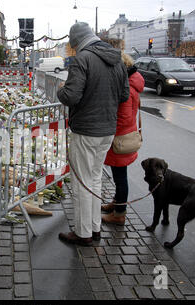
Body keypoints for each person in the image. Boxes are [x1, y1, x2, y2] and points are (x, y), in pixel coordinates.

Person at [57, 22, 129, 247]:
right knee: (95, 179)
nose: (74, 49)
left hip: (86, 131)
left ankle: (83, 232)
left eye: (73, 45)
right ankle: (95, 228)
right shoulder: (115, 58)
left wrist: (60, 89)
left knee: (81, 183)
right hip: (107, 130)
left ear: (77, 42)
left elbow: (71, 96)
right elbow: (124, 94)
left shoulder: (82, 59)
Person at [101, 53, 145, 225]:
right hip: (126, 134)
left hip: (120, 138)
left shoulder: (127, 86)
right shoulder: (133, 82)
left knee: (120, 177)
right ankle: (116, 203)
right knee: (120, 175)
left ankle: (119, 214)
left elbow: (123, 117)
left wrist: (108, 130)